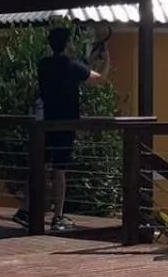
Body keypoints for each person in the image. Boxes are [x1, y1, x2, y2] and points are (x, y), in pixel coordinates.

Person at [15, 26, 110, 232]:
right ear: (67, 44)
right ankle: (58, 217)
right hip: (65, 124)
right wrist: (106, 59)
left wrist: (88, 61)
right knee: (59, 170)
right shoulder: (72, 66)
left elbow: (75, 70)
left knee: (39, 167)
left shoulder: (44, 65)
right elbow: (98, 79)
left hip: (45, 122)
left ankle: (25, 210)